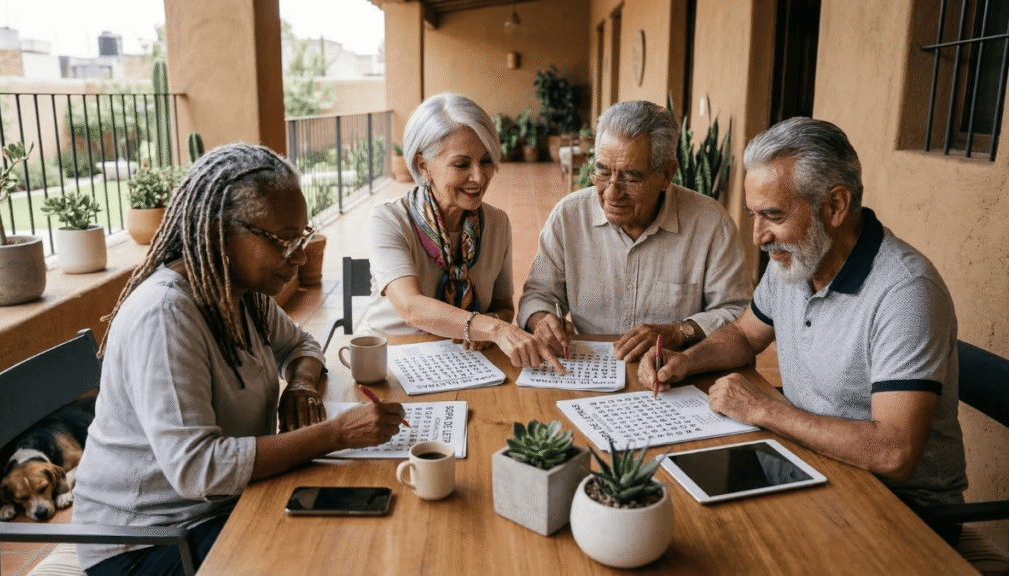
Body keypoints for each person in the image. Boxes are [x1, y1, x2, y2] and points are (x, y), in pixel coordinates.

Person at [73, 143, 406, 576]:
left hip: (226, 507)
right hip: (147, 543)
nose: (300, 256)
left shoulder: (242, 295)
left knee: (365, 528)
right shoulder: (166, 316)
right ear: (217, 232)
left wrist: (302, 385)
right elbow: (200, 470)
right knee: (337, 554)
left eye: (302, 236)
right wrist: (336, 433)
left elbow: (303, 346)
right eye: (284, 240)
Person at [639, 117, 967, 544]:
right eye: (753, 215)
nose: (758, 237)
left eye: (773, 215)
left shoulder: (905, 293)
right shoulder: (795, 260)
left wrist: (765, 410)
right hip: (808, 469)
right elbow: (744, 335)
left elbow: (894, 452)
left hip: (902, 515)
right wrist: (686, 359)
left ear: (835, 206)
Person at [518, 100, 751, 361]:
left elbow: (736, 312)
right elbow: (537, 295)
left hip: (673, 371)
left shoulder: (711, 224)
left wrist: (677, 332)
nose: (612, 192)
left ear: (666, 175)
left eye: (631, 178)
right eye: (602, 172)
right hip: (591, 369)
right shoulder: (569, 216)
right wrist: (541, 321)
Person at [364, 93, 565, 373]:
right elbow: (411, 308)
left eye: (486, 161)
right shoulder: (389, 219)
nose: (479, 177)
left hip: (467, 364)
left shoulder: (496, 223)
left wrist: (489, 326)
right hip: (395, 360)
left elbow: (503, 307)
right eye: (461, 164)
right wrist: (491, 328)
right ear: (424, 166)